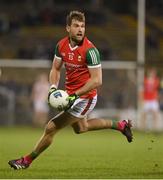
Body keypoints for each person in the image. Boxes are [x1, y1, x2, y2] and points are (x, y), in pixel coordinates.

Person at [8, 10, 133, 170]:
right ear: (68, 28)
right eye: (76, 26)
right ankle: (121, 125)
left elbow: (97, 80)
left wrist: (75, 95)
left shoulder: (91, 51)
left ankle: (26, 161)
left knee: (51, 127)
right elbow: (55, 68)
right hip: (71, 95)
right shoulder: (61, 45)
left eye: (82, 26)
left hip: (85, 97)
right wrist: (53, 87)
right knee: (82, 128)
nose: (80, 29)